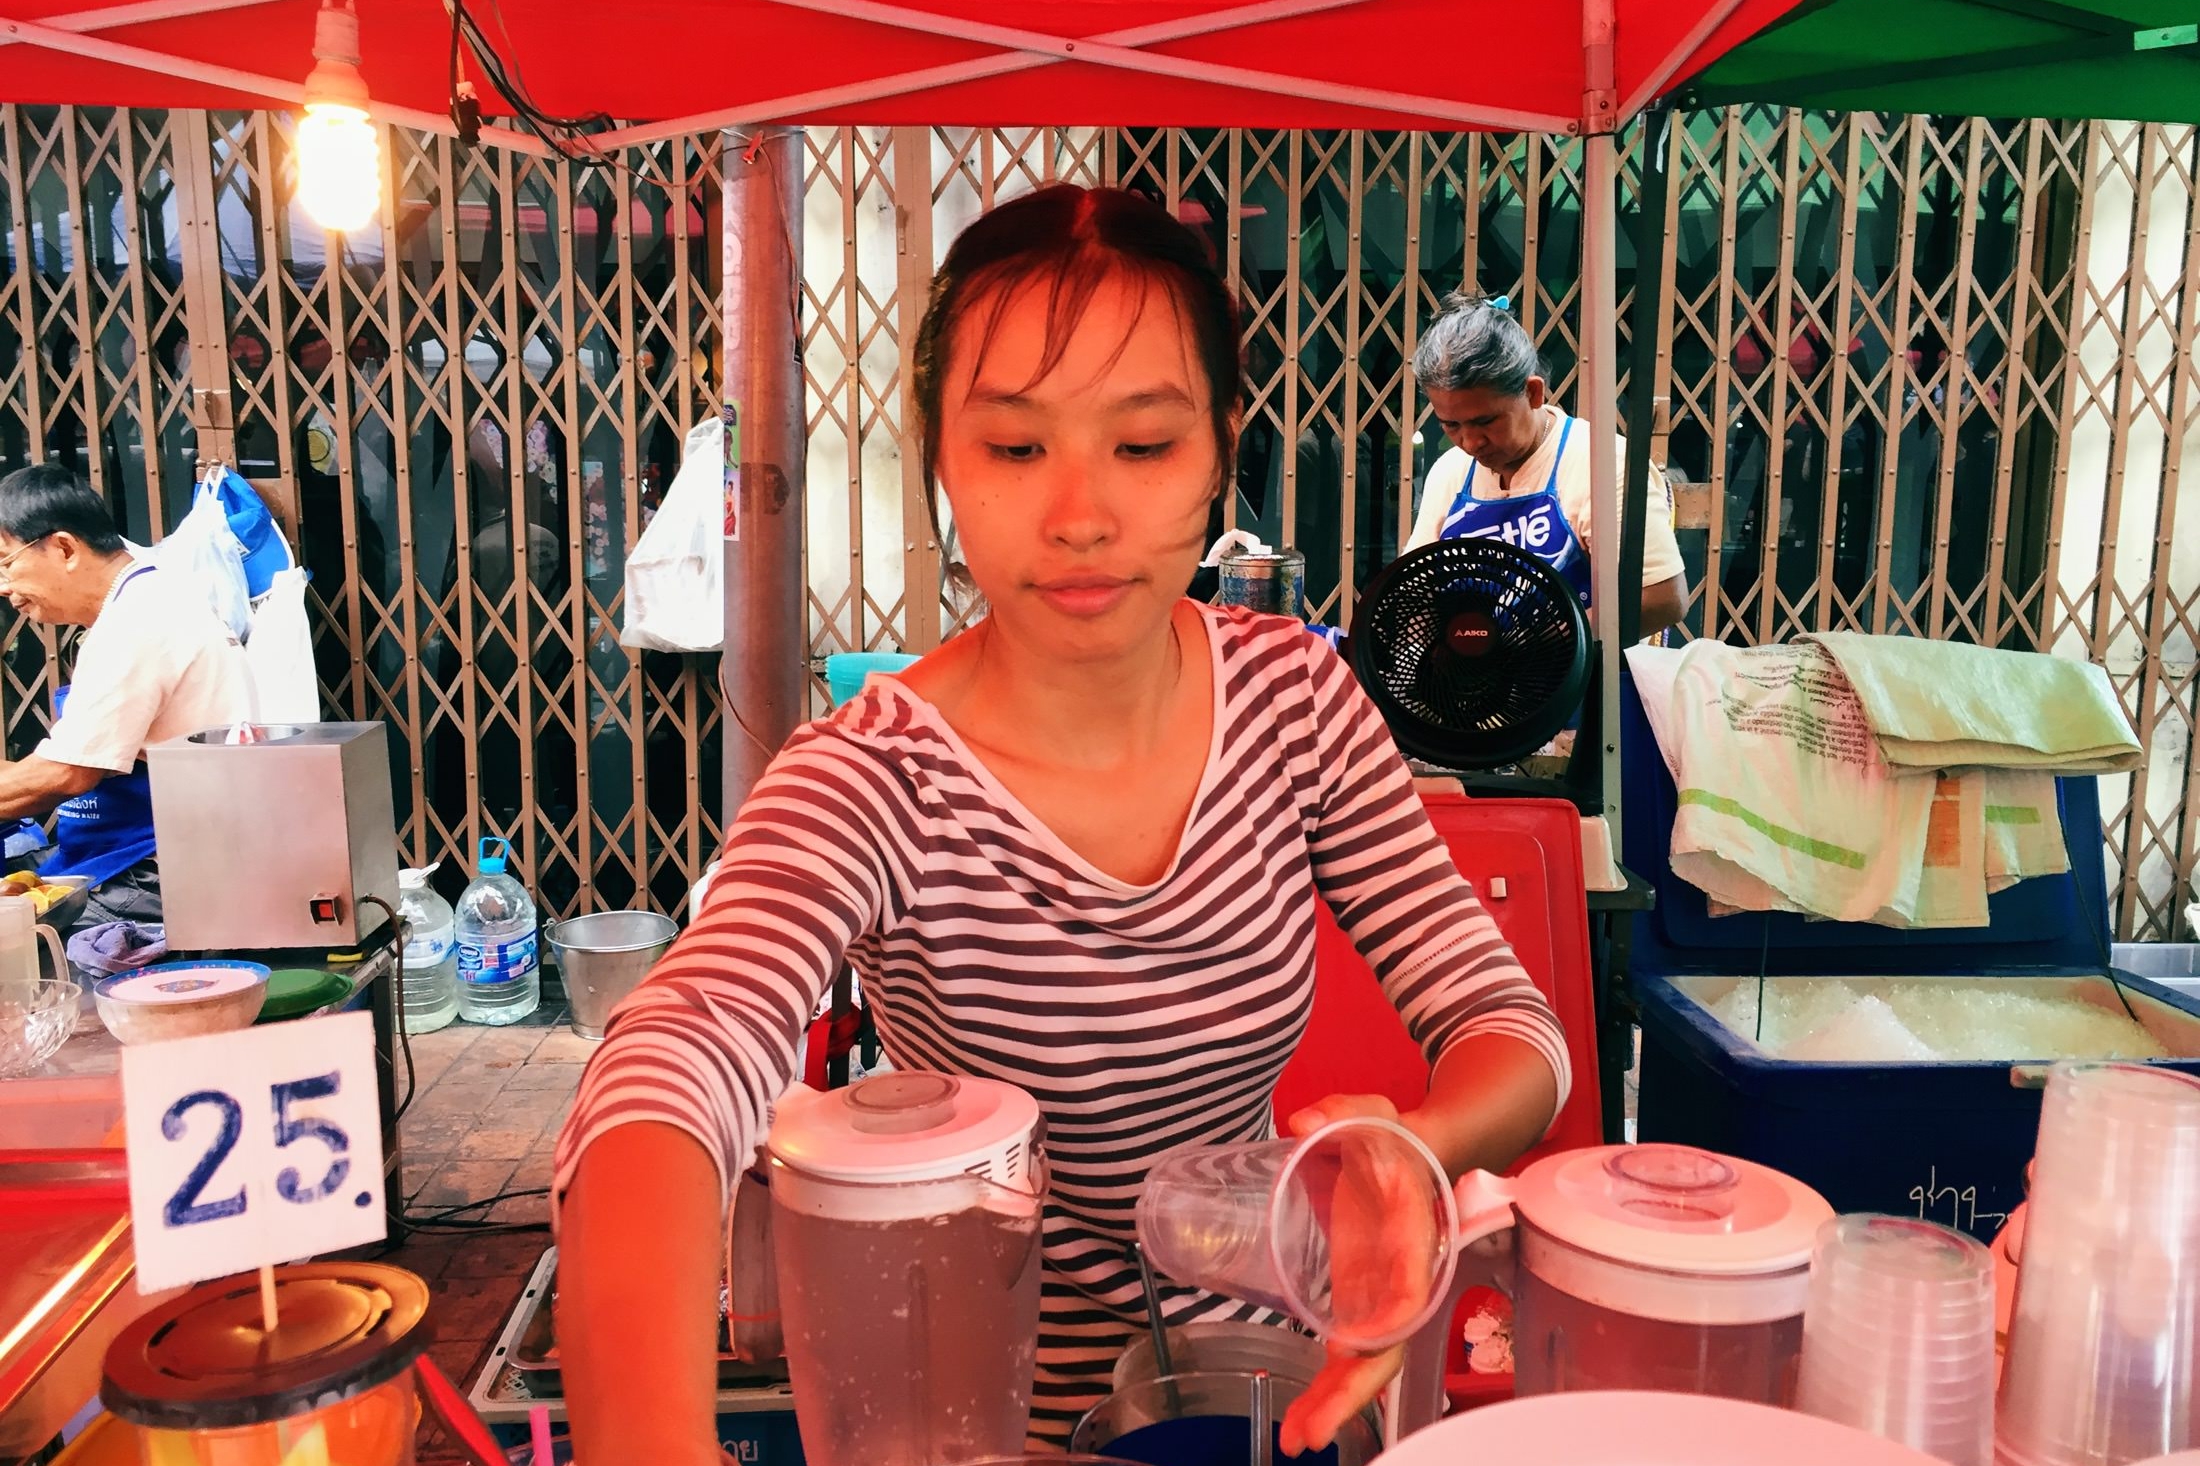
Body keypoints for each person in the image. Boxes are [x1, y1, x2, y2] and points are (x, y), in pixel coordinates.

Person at [551, 186, 1568, 1465]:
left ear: (1216, 451)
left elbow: (1511, 1031)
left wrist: (1408, 1155)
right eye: (1016, 449)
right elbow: (674, 1058)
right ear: (941, 460)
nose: (1081, 513)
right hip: (988, 1428)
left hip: (1263, 1394)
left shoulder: (1300, 701)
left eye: (1142, 446)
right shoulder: (870, 775)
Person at [0, 464, 253, 925]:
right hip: (148, 857)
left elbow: (65, 774)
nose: (5, 588)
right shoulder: (146, 598)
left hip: (153, 877)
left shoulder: (139, 620)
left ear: (63, 548)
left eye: (7, 563)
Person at [1404, 292, 1692, 638]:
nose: (1470, 442)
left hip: (1588, 685)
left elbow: (1663, 598)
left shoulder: (1601, 464)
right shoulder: (1451, 472)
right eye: (1451, 425)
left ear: (1533, 393)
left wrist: (1534, 646)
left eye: (1486, 421)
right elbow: (1414, 589)